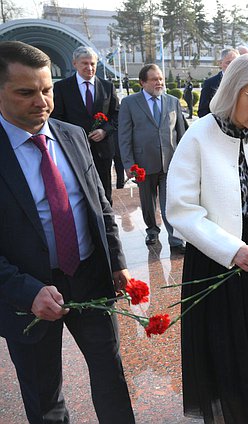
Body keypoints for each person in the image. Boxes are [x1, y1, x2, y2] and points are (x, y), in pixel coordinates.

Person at [0, 40, 134, 423]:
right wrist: (27, 291)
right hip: (28, 293)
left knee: (111, 377)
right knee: (45, 398)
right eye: (25, 92)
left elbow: (99, 205)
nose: (41, 101)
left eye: (46, 90)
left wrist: (117, 262)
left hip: (90, 276)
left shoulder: (72, 135)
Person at [166, 53, 248, 423]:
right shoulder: (197, 135)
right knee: (225, 348)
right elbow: (181, 210)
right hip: (216, 254)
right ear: (233, 91)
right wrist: (231, 249)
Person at [119, 64, 186, 251]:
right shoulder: (130, 103)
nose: (159, 83)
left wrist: (185, 161)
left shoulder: (173, 101)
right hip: (143, 163)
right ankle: (152, 230)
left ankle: (176, 240)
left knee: (170, 203)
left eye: (161, 79)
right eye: (154, 79)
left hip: (170, 163)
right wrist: (129, 164)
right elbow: (124, 135)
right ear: (143, 82)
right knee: (148, 202)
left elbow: (181, 133)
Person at [51, 46, 120, 204]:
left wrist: (104, 130)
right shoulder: (62, 88)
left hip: (102, 148)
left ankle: (106, 223)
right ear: (75, 63)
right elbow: (56, 118)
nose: (89, 67)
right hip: (74, 149)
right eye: (84, 63)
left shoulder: (107, 87)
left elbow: (116, 114)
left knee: (105, 191)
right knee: (79, 190)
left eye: (93, 63)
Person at [198, 48, 239, 117]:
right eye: (228, 63)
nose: (232, 66)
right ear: (220, 63)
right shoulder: (210, 83)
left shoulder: (244, 82)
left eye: (235, 63)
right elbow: (202, 111)